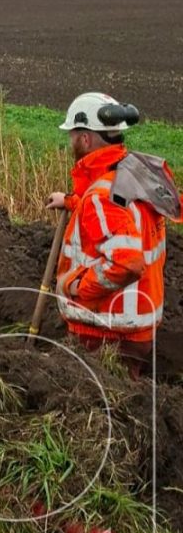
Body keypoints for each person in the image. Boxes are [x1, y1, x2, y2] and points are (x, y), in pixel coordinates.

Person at [47, 92, 179, 380]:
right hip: (135, 327)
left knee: (96, 400)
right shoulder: (133, 173)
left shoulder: (101, 198)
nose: (70, 142)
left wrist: (77, 288)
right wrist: (71, 201)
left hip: (107, 330)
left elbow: (127, 262)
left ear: (85, 139)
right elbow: (119, 213)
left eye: (73, 135)